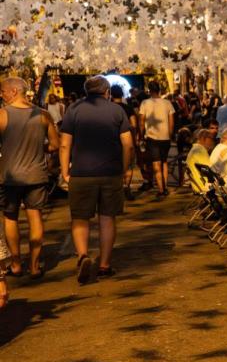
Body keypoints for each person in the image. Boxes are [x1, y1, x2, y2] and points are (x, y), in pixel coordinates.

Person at [60, 75, 133, 284]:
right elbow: (127, 144)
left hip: (81, 173)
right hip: (110, 172)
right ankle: (104, 265)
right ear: (107, 91)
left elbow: (65, 144)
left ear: (86, 91)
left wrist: (65, 172)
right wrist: (125, 168)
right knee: (107, 218)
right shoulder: (117, 110)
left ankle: (83, 255)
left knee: (80, 218)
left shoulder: (73, 109)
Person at [0, 77, 60, 279]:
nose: (2, 95)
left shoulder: (2, 115)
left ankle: (16, 264)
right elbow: (54, 145)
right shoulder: (43, 115)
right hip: (36, 174)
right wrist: (39, 148)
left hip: (9, 177)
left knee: (10, 218)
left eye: (3, 91)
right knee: (35, 217)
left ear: (14, 91)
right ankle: (34, 266)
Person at [138, 81, 175, 199]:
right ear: (159, 90)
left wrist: (141, 134)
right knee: (163, 162)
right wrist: (170, 134)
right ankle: (164, 187)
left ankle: (161, 189)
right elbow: (171, 121)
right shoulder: (167, 103)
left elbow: (141, 121)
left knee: (156, 163)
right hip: (165, 137)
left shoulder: (145, 103)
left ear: (149, 90)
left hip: (152, 136)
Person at [110, 86, 138, 200]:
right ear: (122, 95)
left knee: (114, 164)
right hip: (128, 140)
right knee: (129, 165)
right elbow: (134, 124)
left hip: (113, 141)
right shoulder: (128, 108)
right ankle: (127, 187)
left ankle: (116, 189)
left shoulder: (110, 109)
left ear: (111, 95)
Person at [186, 128, 216, 193]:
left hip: (198, 185)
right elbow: (210, 169)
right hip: (205, 186)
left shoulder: (195, 148)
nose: (212, 142)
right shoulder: (200, 150)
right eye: (211, 139)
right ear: (203, 138)